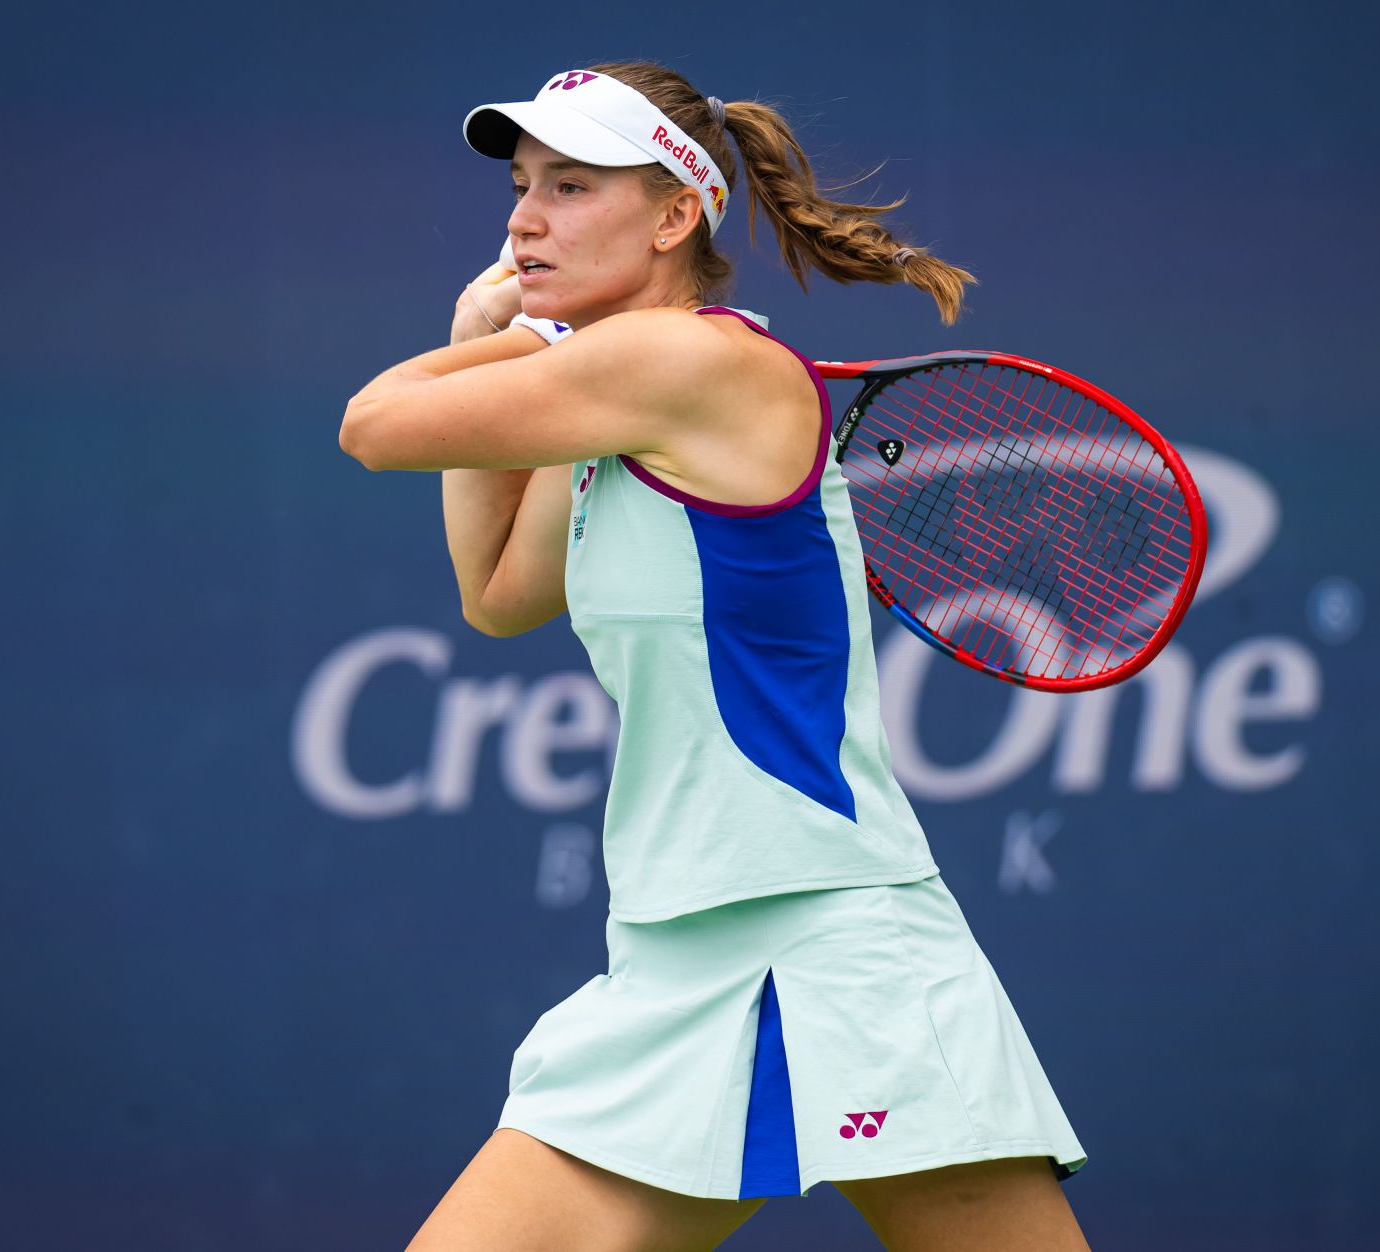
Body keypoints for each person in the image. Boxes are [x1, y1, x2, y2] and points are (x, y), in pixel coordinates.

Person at [340, 61, 1090, 1251]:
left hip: (841, 940)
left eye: (572, 186)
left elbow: (376, 426)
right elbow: (494, 595)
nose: (525, 217)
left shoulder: (693, 366)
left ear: (677, 215)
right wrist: (500, 340)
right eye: (524, 185)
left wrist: (506, 340)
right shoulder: (610, 406)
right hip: (673, 957)